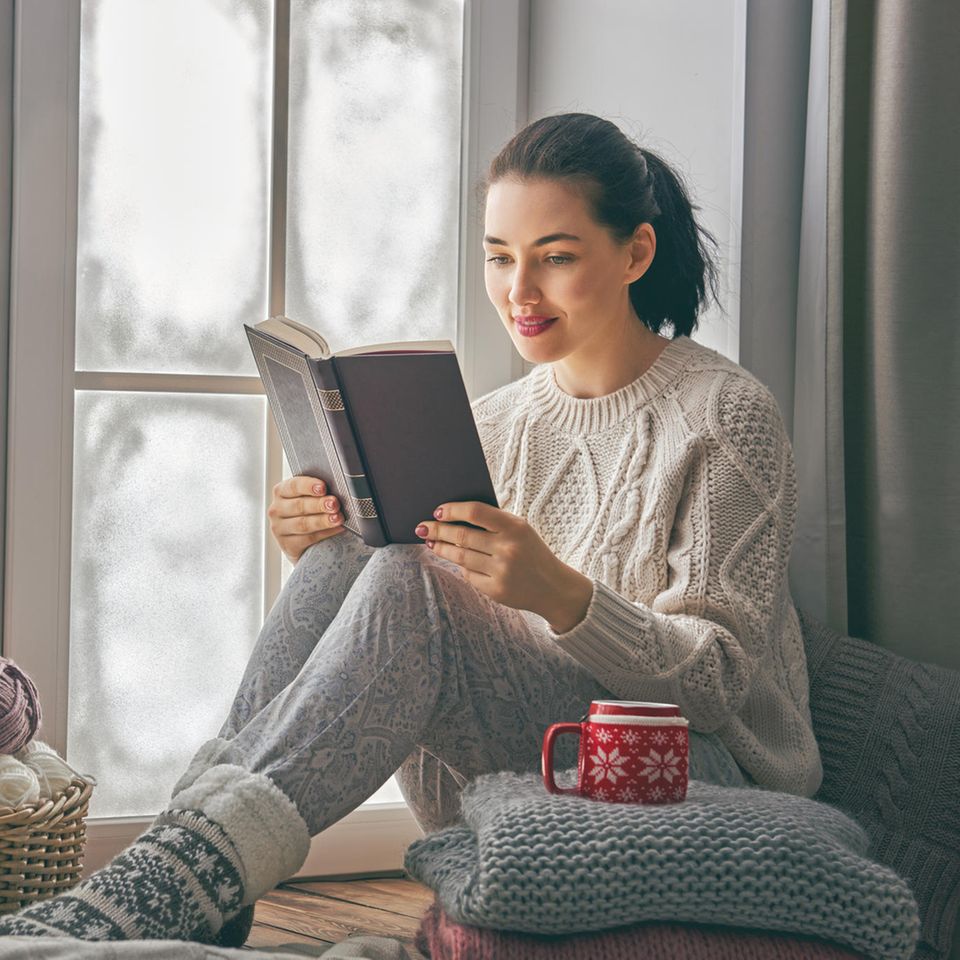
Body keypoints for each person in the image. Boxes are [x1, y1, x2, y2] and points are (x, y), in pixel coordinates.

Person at [0, 112, 822, 945]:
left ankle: (179, 876)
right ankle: (193, 862)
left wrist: (562, 596)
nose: (519, 292)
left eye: (556, 257)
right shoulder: (494, 423)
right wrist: (316, 545)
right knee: (362, 552)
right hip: (517, 766)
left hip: (693, 783)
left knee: (409, 573)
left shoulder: (726, 415)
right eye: (499, 257)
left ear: (636, 253)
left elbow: (715, 685)